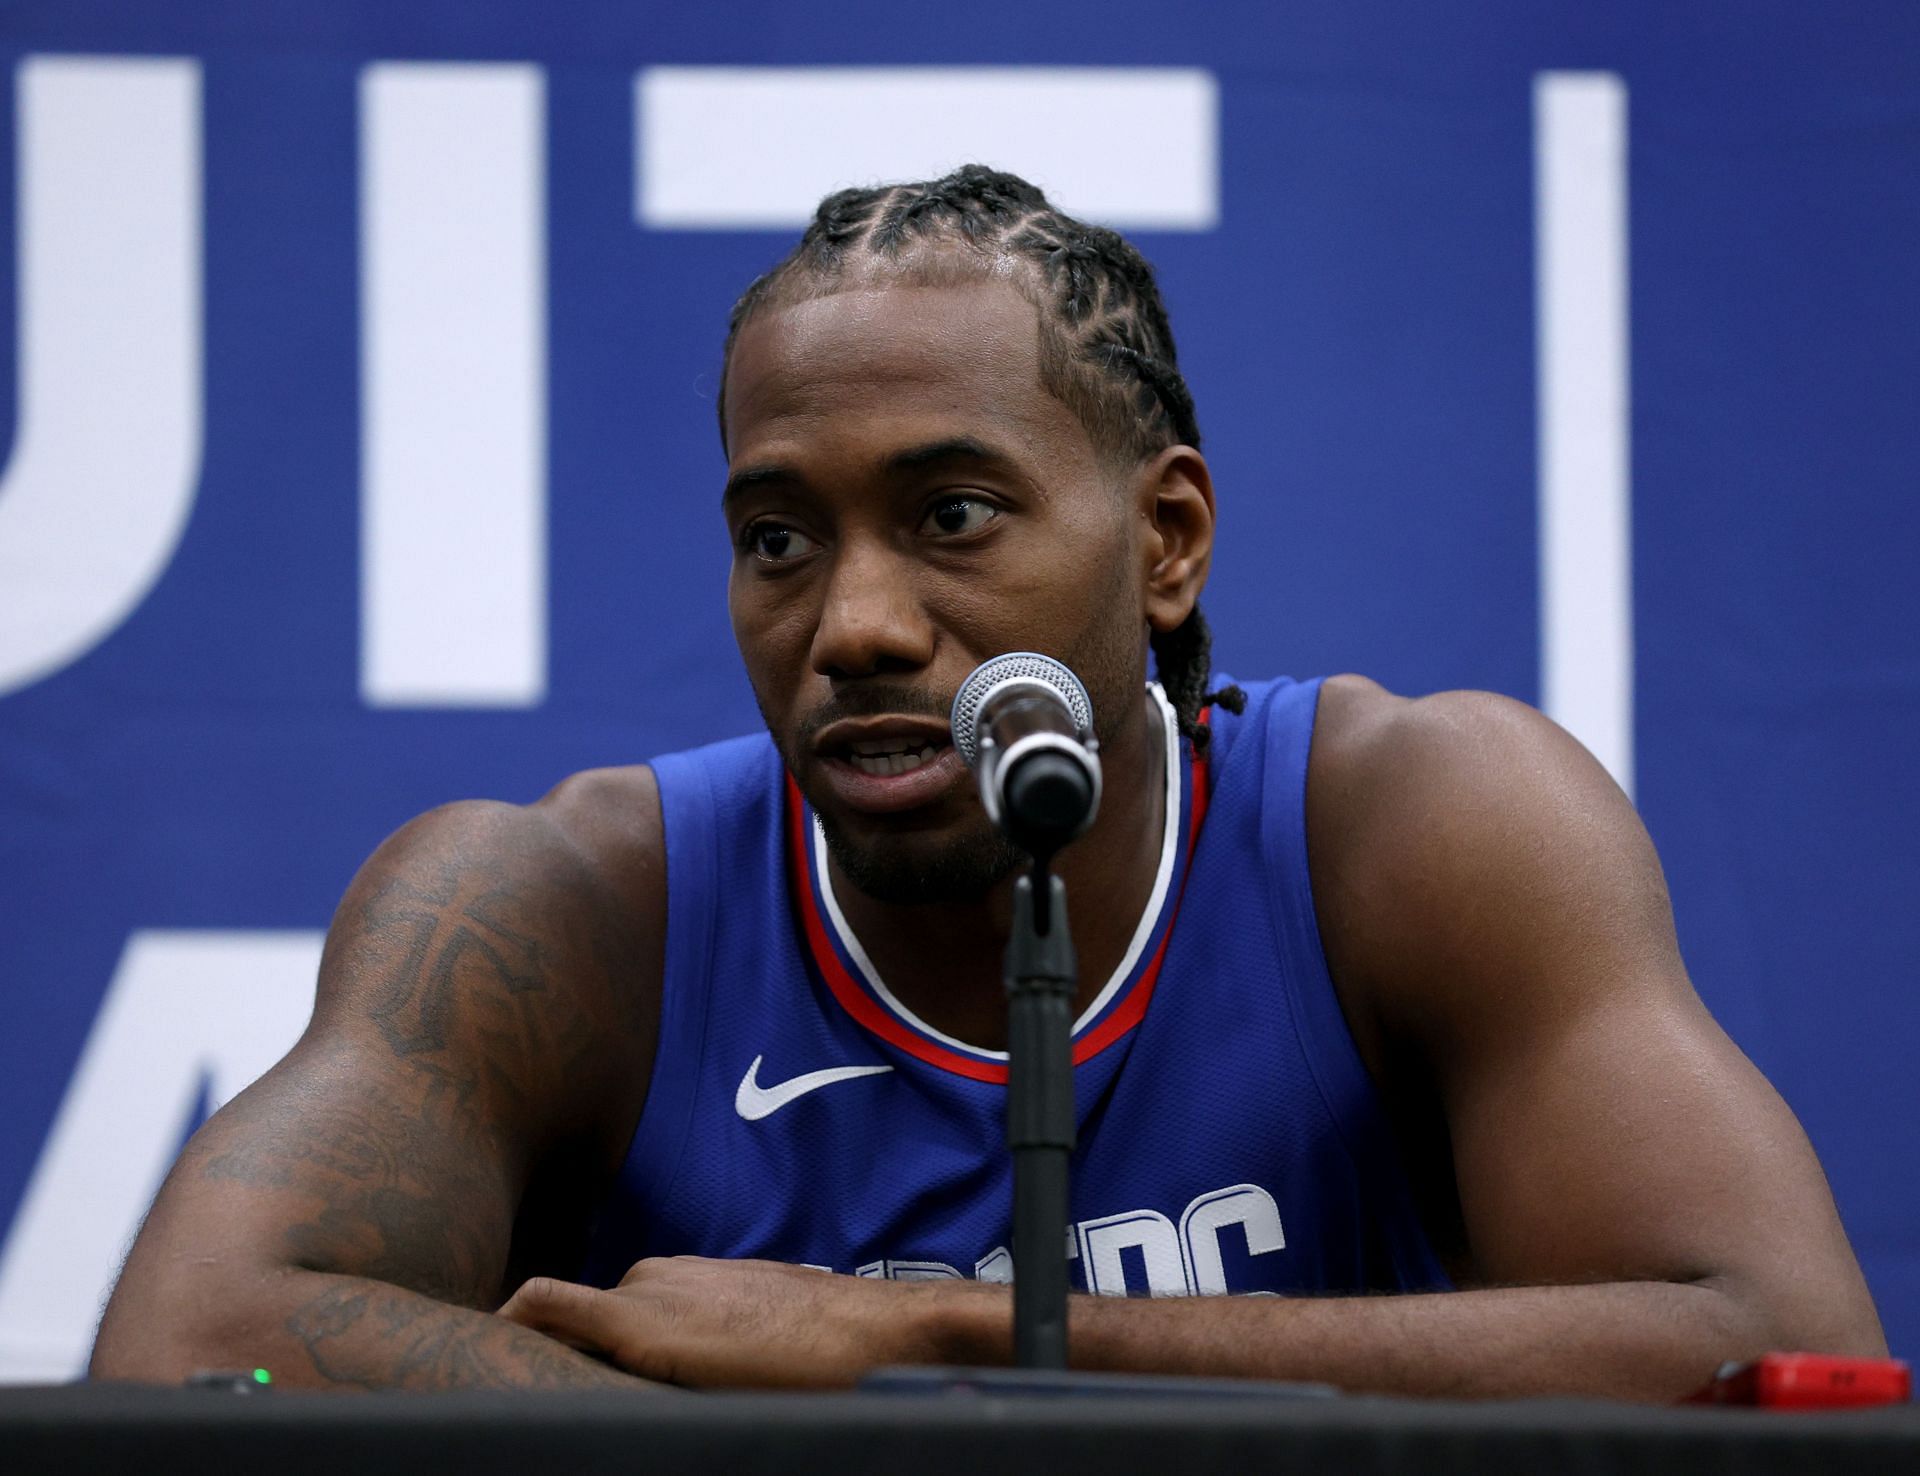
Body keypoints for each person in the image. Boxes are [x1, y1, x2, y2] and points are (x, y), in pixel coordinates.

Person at [91, 166, 1883, 1398]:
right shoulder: (561, 907)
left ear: (1165, 539)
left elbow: (1780, 1344)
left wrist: (913, 1345)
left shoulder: (1419, 828)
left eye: (952, 516)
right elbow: (189, 1346)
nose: (854, 623)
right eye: (779, 538)